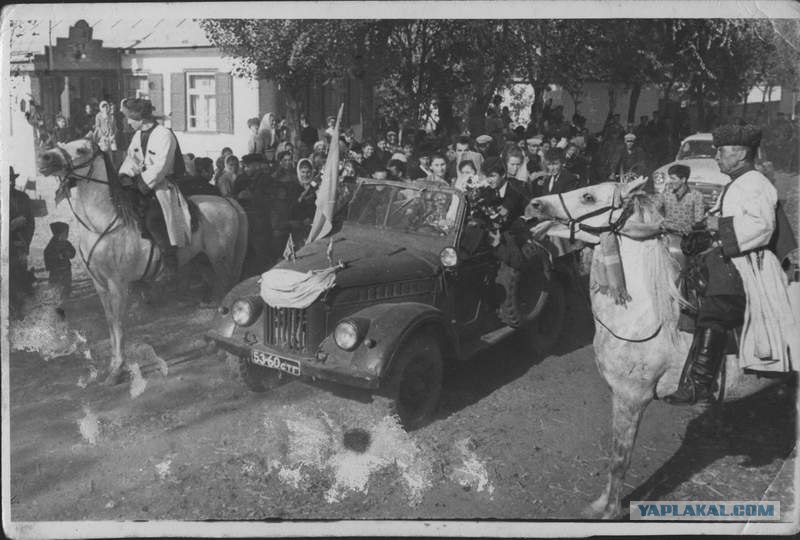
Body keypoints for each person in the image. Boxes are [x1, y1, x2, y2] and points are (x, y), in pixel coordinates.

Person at [664, 124, 796, 404]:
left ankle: (700, 382)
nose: (716, 157)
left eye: (721, 152)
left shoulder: (755, 183)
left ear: (741, 154)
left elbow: (762, 227)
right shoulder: (737, 182)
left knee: (717, 306)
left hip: (751, 264)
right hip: (733, 256)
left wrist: (719, 225)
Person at [118, 98, 188, 280]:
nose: (128, 122)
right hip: (140, 184)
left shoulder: (164, 135)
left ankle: (170, 264)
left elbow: (161, 167)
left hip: (161, 187)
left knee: (153, 220)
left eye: (130, 119)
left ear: (140, 119)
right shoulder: (138, 135)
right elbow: (131, 159)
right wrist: (125, 176)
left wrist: (139, 184)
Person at [654, 164, 705, 235]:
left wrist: (686, 229)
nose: (670, 181)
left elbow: (699, 221)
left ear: (683, 180)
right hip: (667, 234)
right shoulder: (666, 194)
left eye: (673, 178)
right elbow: (654, 209)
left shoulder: (697, 196)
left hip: (688, 237)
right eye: (670, 178)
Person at [44, 221, 76, 311]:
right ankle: (56, 307)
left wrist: (69, 253)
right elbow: (47, 254)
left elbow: (73, 252)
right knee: (56, 289)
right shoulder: (52, 245)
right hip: (56, 272)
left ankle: (64, 305)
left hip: (66, 270)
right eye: (65, 233)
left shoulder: (66, 243)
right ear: (58, 234)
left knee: (66, 288)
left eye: (67, 233)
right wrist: (57, 257)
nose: (66, 235)